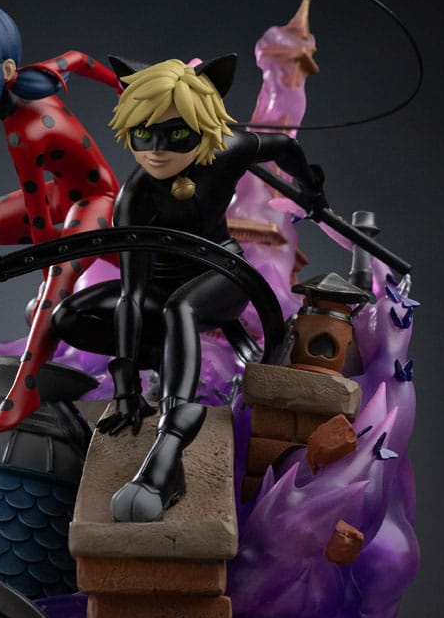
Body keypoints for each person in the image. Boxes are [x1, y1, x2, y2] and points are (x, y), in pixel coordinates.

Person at [51, 54, 324, 522]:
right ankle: (170, 362)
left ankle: (175, 425)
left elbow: (282, 146)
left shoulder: (229, 149)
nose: (157, 150)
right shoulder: (136, 197)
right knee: (69, 316)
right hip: (159, 292)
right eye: (144, 134)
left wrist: (312, 189)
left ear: (202, 127)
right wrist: (125, 385)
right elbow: (132, 294)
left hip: (224, 276)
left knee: (182, 309)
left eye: (175, 135)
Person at [0, 1, 122, 431]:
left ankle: (25, 390)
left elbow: (38, 219)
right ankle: (82, 264)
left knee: (54, 288)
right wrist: (121, 85)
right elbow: (77, 58)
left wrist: (50, 273)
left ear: (7, 68)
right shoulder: (37, 77)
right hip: (61, 194)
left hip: (98, 199)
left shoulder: (22, 133)